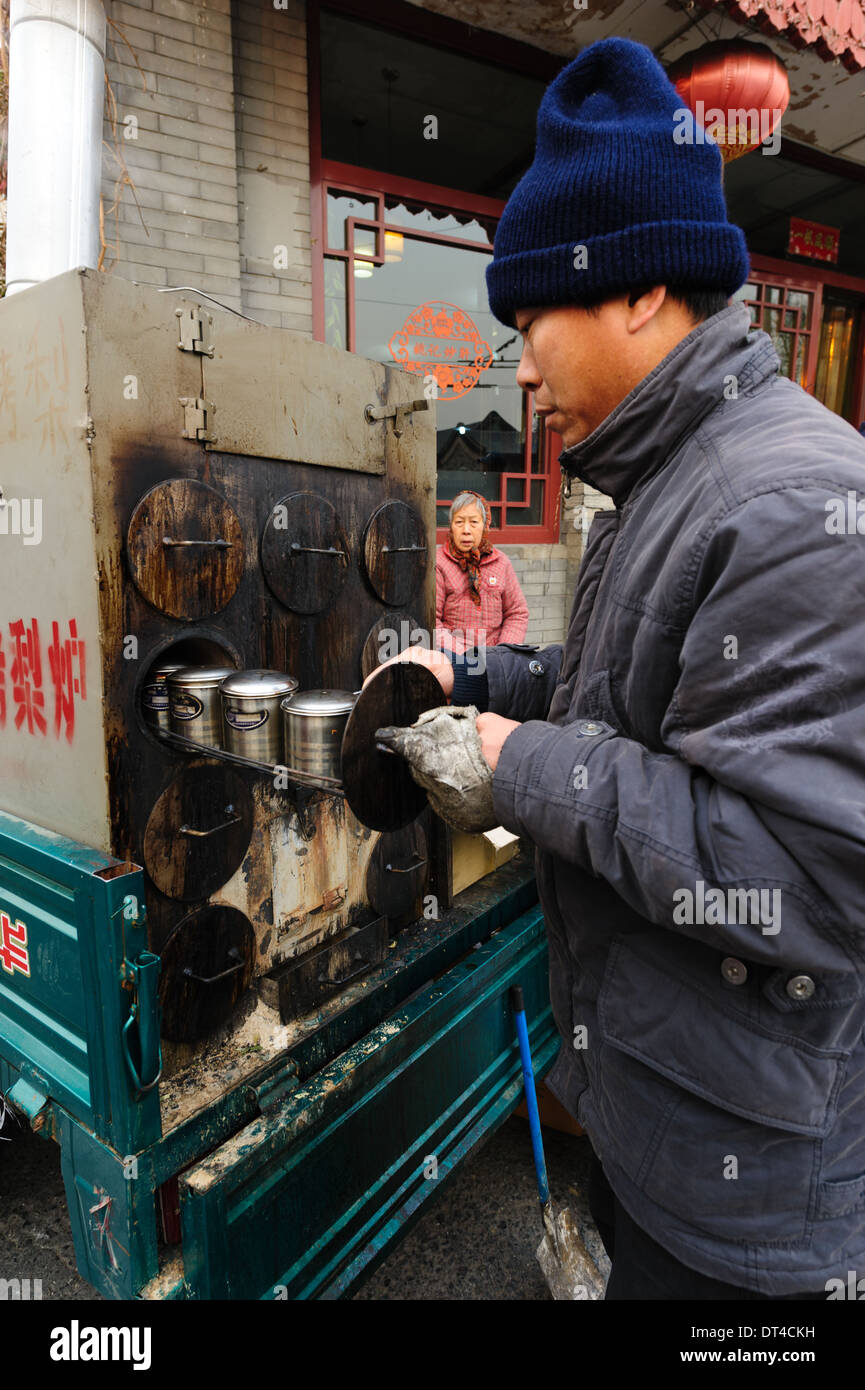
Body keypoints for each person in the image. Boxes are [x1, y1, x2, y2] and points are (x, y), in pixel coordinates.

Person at [374, 36, 865, 1299]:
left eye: (531, 317)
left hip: (744, 1201)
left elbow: (802, 879)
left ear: (640, 290)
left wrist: (517, 766)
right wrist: (473, 681)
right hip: (660, 1111)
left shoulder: (790, 501)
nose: (519, 367)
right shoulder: (661, 485)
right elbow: (629, 708)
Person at [434, 491, 529, 655]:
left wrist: (502, 654)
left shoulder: (501, 563)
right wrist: (466, 656)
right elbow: (432, 621)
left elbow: (517, 613)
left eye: (473, 522)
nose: (466, 530)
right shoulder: (439, 563)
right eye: (459, 522)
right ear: (450, 526)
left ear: (485, 526)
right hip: (454, 658)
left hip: (495, 657)